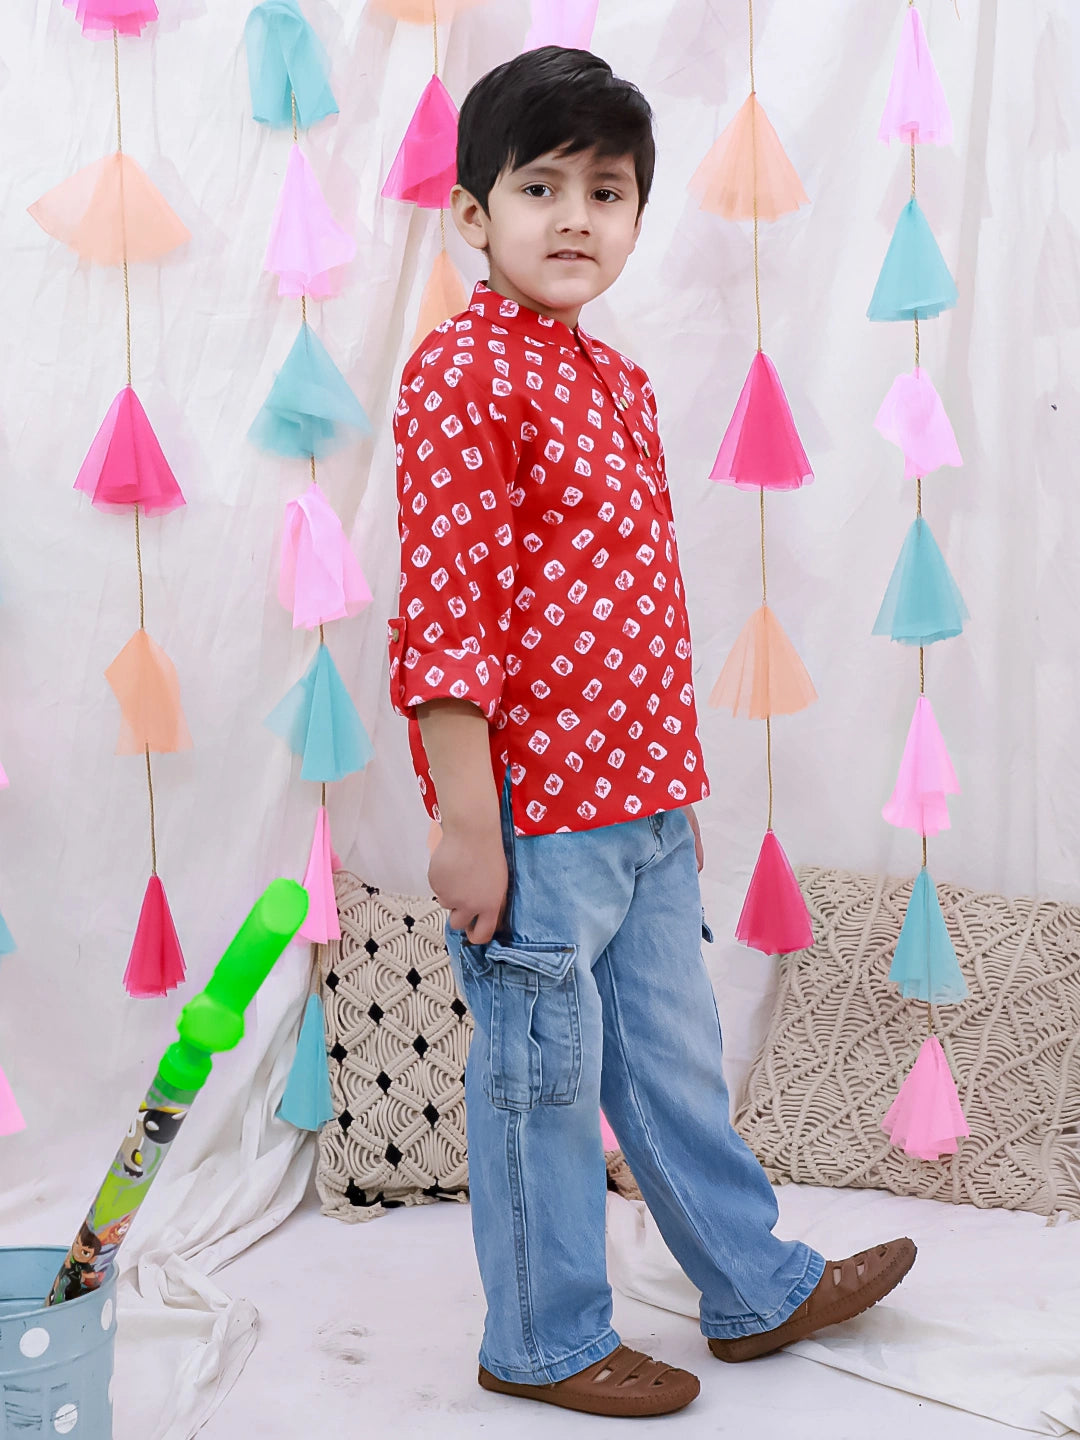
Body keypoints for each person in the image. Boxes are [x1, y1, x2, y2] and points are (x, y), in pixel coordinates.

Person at [388, 44, 916, 1420]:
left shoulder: (615, 381)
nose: (576, 216)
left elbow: (628, 606)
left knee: (673, 1064)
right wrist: (467, 823)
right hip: (536, 819)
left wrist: (671, 798)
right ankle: (543, 1339)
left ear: (635, 215)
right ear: (474, 212)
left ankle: (754, 1283)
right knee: (543, 1088)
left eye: (608, 191)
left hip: (645, 804)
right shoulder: (462, 374)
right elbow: (447, 614)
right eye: (541, 186)